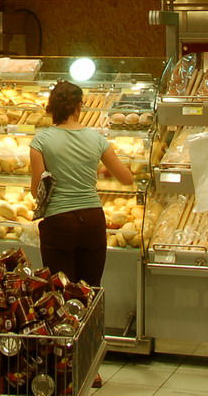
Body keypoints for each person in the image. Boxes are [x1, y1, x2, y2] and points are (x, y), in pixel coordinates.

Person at [29, 80, 134, 286]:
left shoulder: (40, 141)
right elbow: (126, 179)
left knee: (62, 292)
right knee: (90, 289)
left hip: (59, 222)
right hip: (93, 219)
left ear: (51, 108)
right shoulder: (97, 139)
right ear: (79, 106)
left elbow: (36, 191)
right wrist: (100, 170)